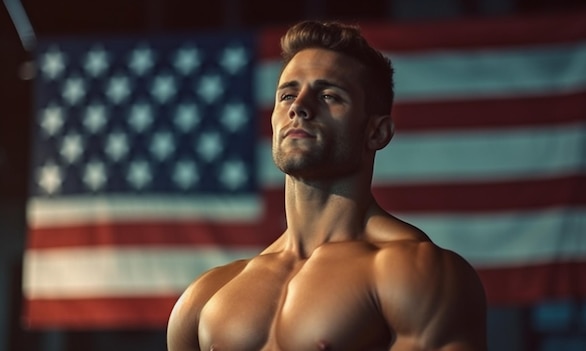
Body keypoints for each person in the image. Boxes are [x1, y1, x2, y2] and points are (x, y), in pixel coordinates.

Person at [167, 20, 487, 351]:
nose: (299, 108)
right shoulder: (206, 296)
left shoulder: (415, 273)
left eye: (329, 95)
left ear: (376, 132)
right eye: (288, 94)